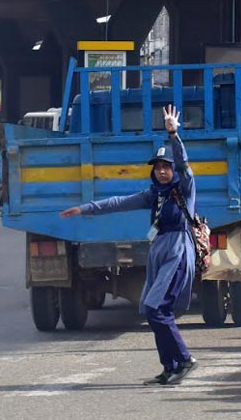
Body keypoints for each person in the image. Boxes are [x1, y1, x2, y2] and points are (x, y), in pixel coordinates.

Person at [61, 105, 198, 386]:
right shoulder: (153, 194)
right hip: (159, 247)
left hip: (177, 248)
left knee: (155, 308)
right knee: (152, 310)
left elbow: (184, 164)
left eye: (166, 167)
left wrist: (173, 133)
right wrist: (85, 208)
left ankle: (184, 359)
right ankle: (170, 366)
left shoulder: (184, 188)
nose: (162, 171)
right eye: (158, 167)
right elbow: (118, 202)